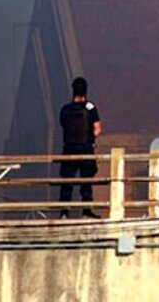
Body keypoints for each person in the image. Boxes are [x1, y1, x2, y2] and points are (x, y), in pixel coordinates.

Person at [58, 76, 102, 219]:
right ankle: (86, 212)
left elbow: (63, 126)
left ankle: (64, 212)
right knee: (86, 182)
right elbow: (97, 130)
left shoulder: (65, 109)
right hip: (85, 150)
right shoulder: (90, 107)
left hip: (69, 150)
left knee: (67, 182)